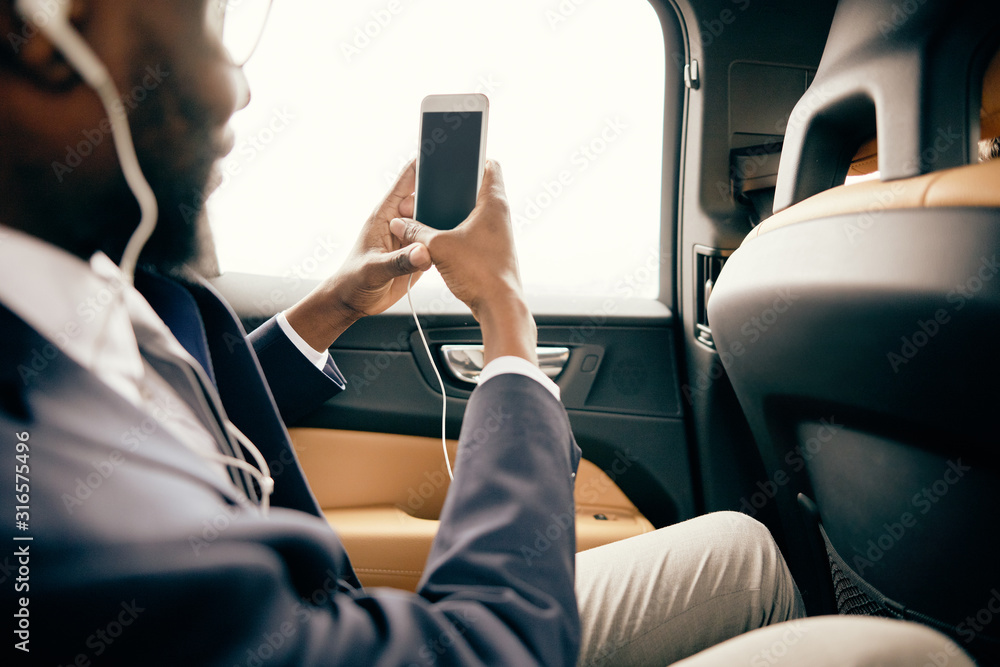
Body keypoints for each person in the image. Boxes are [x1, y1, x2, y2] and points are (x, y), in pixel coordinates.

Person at [0, 1, 975, 665]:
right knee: (903, 655)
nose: (237, 90)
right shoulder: (68, 534)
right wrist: (506, 325)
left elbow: (193, 416)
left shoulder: (78, 291)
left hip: (349, 622)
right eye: (205, 24)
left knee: (741, 549)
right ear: (47, 29)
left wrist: (338, 302)